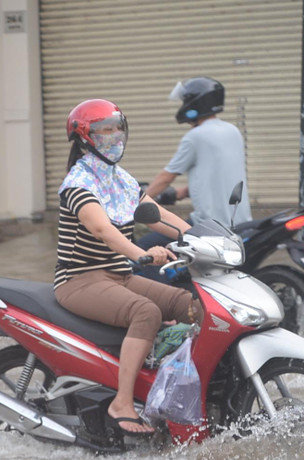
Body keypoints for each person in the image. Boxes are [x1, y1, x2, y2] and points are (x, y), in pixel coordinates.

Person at [55, 99, 199, 436]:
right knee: (146, 312)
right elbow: (104, 230)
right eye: (104, 130)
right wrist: (142, 255)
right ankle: (121, 402)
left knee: (190, 305)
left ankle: (190, 386)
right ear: (85, 137)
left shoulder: (119, 180)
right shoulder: (78, 184)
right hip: (79, 281)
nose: (114, 136)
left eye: (117, 127)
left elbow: (161, 216)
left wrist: (201, 241)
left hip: (118, 276)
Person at [143, 78, 252, 229]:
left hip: (209, 225)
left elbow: (166, 177)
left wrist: (139, 201)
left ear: (195, 103)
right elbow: (221, 173)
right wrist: (185, 191)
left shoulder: (195, 137)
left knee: (145, 244)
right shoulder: (232, 131)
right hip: (240, 222)